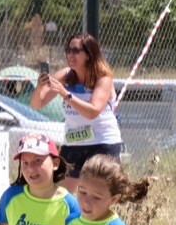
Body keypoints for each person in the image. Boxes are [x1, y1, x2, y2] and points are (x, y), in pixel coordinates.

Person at [30, 33, 122, 190]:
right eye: (68, 50)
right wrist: (40, 87)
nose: (70, 55)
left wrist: (66, 94)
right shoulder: (65, 75)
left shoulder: (103, 78)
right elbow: (36, 104)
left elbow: (93, 112)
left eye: (76, 51)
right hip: (74, 143)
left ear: (88, 54)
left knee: (100, 193)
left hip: (102, 142)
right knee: (61, 194)